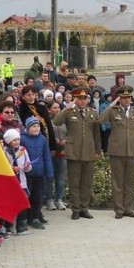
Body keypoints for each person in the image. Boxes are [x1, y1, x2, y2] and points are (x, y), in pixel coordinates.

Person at [53, 87, 101, 220]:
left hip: (89, 151)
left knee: (86, 182)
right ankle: (75, 208)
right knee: (74, 182)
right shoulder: (69, 112)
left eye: (85, 99)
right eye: (80, 99)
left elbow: (97, 134)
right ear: (75, 100)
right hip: (74, 151)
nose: (82, 101)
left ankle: (84, 208)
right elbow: (56, 121)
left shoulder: (93, 113)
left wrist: (98, 150)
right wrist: (66, 108)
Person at [99, 85, 134, 219]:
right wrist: (113, 104)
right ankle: (119, 209)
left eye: (128, 98)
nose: (126, 100)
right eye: (123, 98)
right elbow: (101, 119)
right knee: (117, 182)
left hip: (132, 151)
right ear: (119, 98)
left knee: (130, 182)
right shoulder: (114, 111)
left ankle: (129, 208)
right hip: (117, 151)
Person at [20, 117, 54, 229]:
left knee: (37, 197)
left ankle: (35, 218)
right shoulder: (22, 139)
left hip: (39, 174)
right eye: (33, 126)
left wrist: (49, 172)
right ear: (28, 128)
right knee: (26, 197)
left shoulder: (43, 139)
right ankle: (24, 219)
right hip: (27, 174)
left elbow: (47, 157)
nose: (36, 128)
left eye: (38, 126)